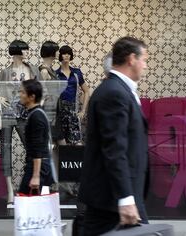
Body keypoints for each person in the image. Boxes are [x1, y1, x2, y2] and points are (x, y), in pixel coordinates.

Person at [78, 36, 150, 235]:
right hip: (112, 200)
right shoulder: (114, 93)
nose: (146, 65)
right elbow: (114, 149)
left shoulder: (120, 90)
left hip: (120, 196)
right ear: (131, 59)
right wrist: (126, 198)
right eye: (144, 59)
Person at [0, 40, 41, 204]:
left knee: (31, 147)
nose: (27, 53)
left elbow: (42, 90)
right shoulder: (5, 72)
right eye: (25, 50)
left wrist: (36, 108)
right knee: (5, 150)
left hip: (24, 115)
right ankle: (9, 190)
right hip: (7, 115)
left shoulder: (32, 70)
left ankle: (28, 184)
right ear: (17, 51)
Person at [18, 79, 55, 194]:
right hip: (39, 165)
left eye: (23, 92)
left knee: (25, 200)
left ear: (32, 97)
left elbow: (38, 147)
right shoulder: (37, 112)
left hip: (38, 167)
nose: (20, 95)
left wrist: (35, 176)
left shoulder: (36, 116)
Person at [55, 45, 90, 145]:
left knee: (77, 144)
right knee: (61, 146)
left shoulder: (76, 73)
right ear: (60, 55)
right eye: (64, 53)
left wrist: (83, 111)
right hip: (60, 112)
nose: (66, 56)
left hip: (73, 111)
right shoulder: (55, 74)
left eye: (68, 53)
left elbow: (86, 91)